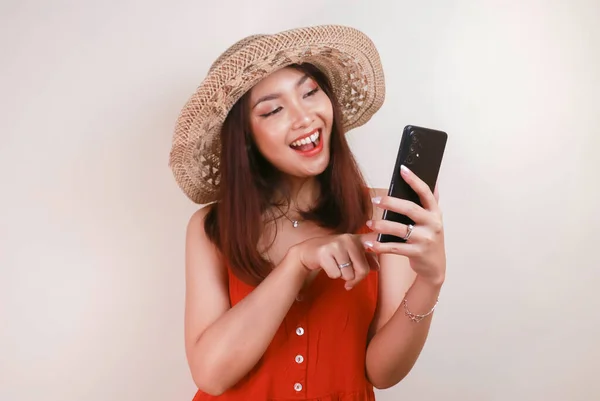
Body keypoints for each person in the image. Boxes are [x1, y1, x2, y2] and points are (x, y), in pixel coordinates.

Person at [168, 25, 446, 400]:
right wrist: (297, 264)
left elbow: (382, 372)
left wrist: (430, 281)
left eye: (310, 92)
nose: (304, 117)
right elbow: (212, 375)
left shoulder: (383, 213)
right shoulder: (211, 227)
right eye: (273, 109)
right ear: (245, 139)